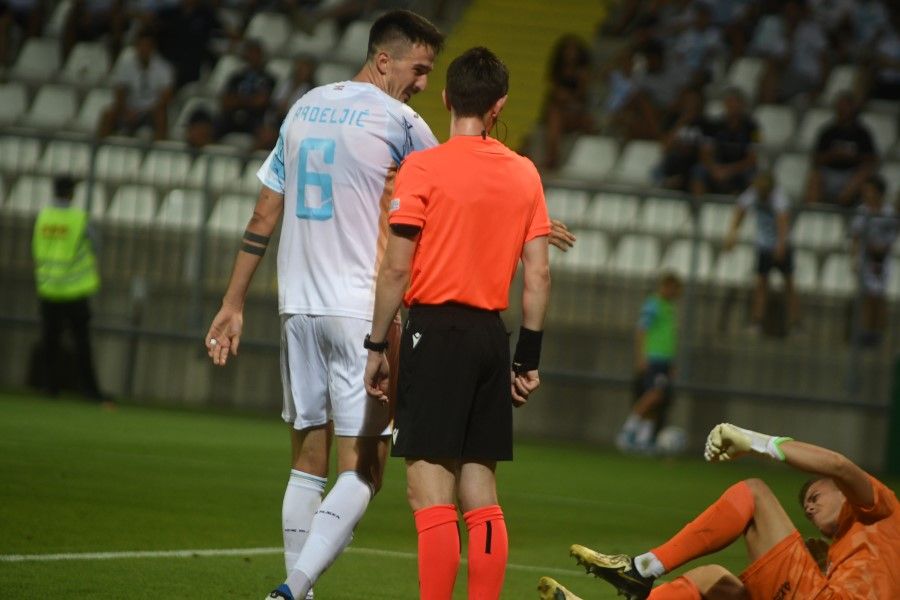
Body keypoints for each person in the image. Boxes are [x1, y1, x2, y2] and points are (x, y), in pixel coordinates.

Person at [202, 11, 446, 600]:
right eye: (418, 70)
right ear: (384, 60)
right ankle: (293, 590)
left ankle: (298, 593)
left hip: (298, 307)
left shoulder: (303, 107)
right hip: (362, 311)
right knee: (365, 469)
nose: (422, 84)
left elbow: (264, 213)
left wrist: (233, 302)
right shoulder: (401, 122)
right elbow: (452, 191)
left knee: (306, 461)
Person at [363, 46, 552, 600]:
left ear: (446, 98)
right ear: (499, 106)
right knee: (481, 495)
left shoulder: (424, 167)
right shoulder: (524, 173)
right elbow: (538, 274)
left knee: (428, 495)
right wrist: (527, 359)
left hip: (435, 333)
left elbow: (396, 268)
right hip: (491, 338)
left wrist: (376, 344)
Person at [538, 421, 900, 600]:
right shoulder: (849, 552)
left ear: (843, 491)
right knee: (714, 581)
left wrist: (755, 442)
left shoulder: (882, 510)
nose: (807, 504)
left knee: (754, 492)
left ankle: (641, 569)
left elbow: (838, 465)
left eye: (815, 495)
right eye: (806, 505)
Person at [32, 175, 107, 403]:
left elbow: (35, 247)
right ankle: (89, 390)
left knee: (50, 340)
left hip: (48, 287)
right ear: (72, 193)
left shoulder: (43, 218)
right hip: (74, 289)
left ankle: (49, 387)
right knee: (81, 342)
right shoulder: (78, 219)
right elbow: (96, 246)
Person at [724, 171, 798, 335]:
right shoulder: (753, 193)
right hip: (764, 245)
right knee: (761, 284)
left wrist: (780, 246)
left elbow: (783, 222)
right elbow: (740, 210)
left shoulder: (780, 198)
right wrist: (732, 234)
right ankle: (756, 322)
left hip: (783, 245)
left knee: (789, 284)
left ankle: (795, 324)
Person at [616, 272, 681, 454]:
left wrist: (672, 362)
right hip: (653, 358)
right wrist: (641, 357)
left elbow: (669, 336)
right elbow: (641, 330)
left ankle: (643, 440)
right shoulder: (653, 304)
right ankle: (627, 431)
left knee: (658, 400)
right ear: (665, 286)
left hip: (664, 360)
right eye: (672, 288)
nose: (674, 292)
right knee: (654, 395)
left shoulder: (670, 307)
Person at [97, 28, 174, 140]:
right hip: (129, 109)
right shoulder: (126, 65)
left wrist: (144, 111)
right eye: (140, 45)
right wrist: (125, 110)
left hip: (149, 112)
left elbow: (166, 97)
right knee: (108, 114)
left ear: (153, 48)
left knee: (161, 116)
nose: (143, 49)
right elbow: (120, 91)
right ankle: (101, 147)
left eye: (147, 46)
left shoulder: (164, 68)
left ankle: (159, 147)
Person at [805, 92, 878, 206]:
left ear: (852, 108)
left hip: (851, 174)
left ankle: (840, 205)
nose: (842, 110)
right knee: (815, 175)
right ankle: (811, 210)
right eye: (840, 106)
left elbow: (871, 159)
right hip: (829, 172)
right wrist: (832, 155)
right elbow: (816, 159)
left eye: (845, 107)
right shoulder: (828, 132)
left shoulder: (862, 133)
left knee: (864, 172)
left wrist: (853, 157)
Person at [850, 174, 897, 347]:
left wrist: (884, 248)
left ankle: (879, 333)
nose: (866, 194)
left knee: (879, 296)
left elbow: (893, 235)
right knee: (867, 296)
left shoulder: (889, 213)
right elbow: (855, 237)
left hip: (883, 260)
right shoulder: (862, 211)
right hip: (866, 259)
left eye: (869, 191)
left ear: (878, 192)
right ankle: (866, 331)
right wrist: (854, 259)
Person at [691, 88, 759, 196]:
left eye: (736, 102)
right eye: (730, 102)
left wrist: (730, 170)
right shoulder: (714, 125)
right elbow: (705, 153)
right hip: (718, 165)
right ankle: (699, 203)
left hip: (739, 166)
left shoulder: (752, 128)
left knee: (753, 175)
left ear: (742, 105)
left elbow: (752, 158)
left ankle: (745, 204)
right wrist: (714, 168)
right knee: (699, 170)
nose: (733, 106)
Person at [215, 39, 277, 149]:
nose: (252, 57)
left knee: (267, 133)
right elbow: (226, 101)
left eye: (256, 53)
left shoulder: (268, 78)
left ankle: (251, 158)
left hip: (255, 118)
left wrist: (239, 100)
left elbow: (260, 101)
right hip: (231, 116)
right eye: (250, 53)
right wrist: (249, 100)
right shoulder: (237, 77)